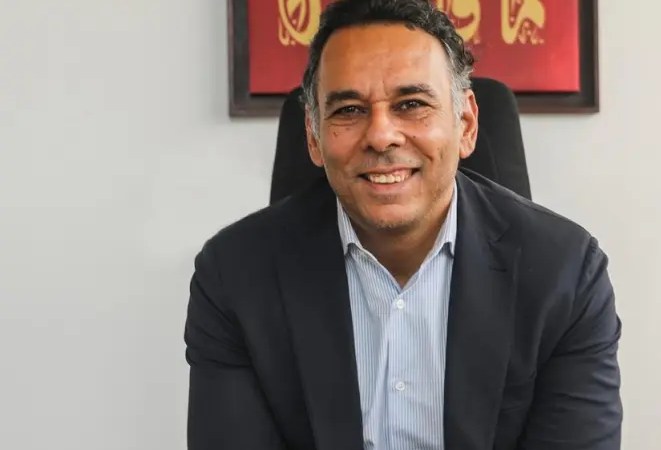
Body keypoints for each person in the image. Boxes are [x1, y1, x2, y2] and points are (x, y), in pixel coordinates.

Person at [184, 0, 622, 449]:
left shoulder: (565, 274)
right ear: (313, 136)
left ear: (466, 124)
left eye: (412, 104)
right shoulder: (235, 277)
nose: (381, 136)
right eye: (349, 110)